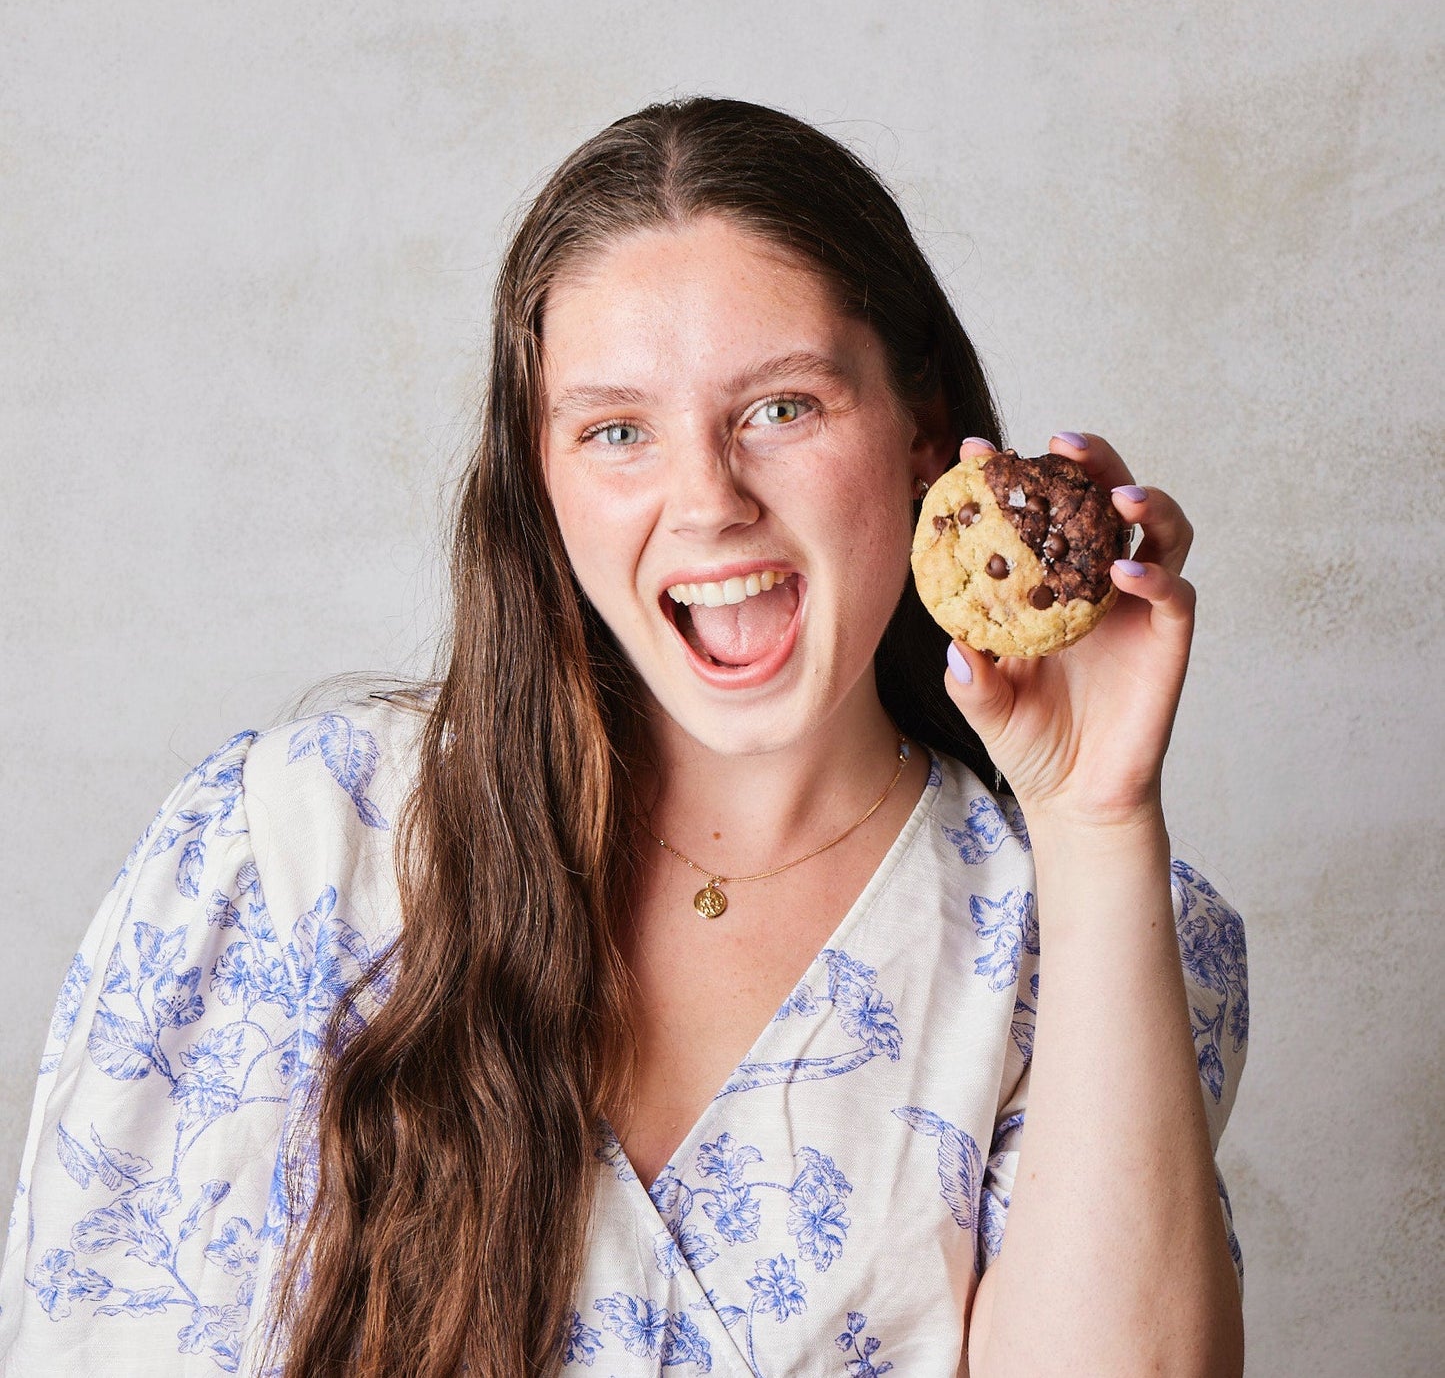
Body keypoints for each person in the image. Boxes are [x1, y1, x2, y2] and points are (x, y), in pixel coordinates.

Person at [0, 97, 1248, 1377]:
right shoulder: (294, 852)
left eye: (781, 407)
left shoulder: (1086, 945)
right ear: (539, 481)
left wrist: (1094, 821)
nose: (706, 500)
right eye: (615, 432)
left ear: (921, 430)